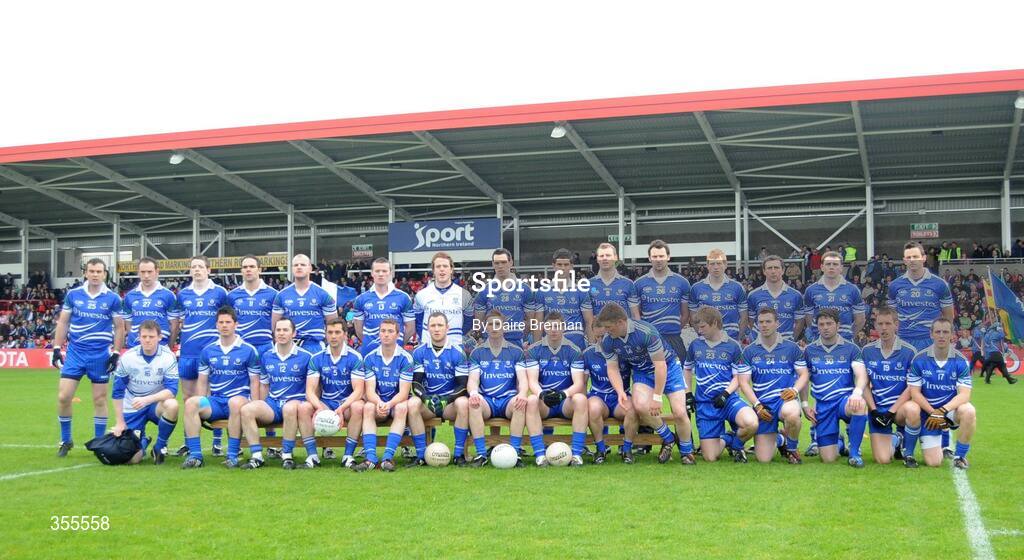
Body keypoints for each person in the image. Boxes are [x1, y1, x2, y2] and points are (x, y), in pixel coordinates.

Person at [598, 303, 695, 465]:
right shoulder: (608, 341)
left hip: (669, 368)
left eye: (609, 327)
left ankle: (686, 452)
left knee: (679, 412)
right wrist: (620, 391)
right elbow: (612, 369)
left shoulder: (646, 332)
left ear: (621, 322)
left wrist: (657, 397)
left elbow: (660, 366)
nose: (606, 331)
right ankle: (668, 438)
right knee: (640, 406)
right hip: (643, 373)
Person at [52, 258, 125, 457]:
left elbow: (120, 327)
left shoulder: (112, 298)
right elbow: (63, 322)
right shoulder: (74, 295)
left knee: (100, 400)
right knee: (63, 396)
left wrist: (116, 353)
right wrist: (57, 348)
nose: (95, 274)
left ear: (105, 274)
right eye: (91, 271)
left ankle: (99, 442)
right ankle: (66, 440)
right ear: (85, 273)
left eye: (99, 271)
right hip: (76, 353)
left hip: (100, 354)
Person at [181, 307, 261, 469]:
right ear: (216, 325)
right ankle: (195, 456)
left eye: (228, 322)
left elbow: (255, 382)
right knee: (191, 403)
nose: (224, 325)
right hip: (216, 403)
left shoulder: (248, 350)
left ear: (235, 325)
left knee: (235, 402)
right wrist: (201, 400)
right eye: (221, 322)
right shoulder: (208, 351)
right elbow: (202, 381)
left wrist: (255, 405)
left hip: (240, 401)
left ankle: (232, 455)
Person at [239, 318, 317, 470]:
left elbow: (312, 387)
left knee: (289, 408)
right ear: (273, 333)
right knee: (246, 409)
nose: (281, 333)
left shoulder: (306, 356)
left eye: (285, 330)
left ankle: (287, 455)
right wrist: (261, 403)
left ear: (294, 333)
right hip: (273, 404)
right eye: (278, 330)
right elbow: (264, 384)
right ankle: (257, 456)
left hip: (296, 402)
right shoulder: (267, 356)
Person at [684, 307, 757, 463]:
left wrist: (726, 393)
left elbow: (739, 376)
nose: (699, 330)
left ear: (715, 323)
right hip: (705, 404)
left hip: (728, 400)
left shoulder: (733, 346)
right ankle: (728, 438)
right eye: (698, 327)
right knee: (710, 457)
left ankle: (737, 446)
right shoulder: (695, 345)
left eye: (703, 326)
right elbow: (687, 369)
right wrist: (688, 394)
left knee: (751, 422)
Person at [173, 255, 229, 456]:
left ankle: (217, 442)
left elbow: (226, 320)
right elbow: (177, 321)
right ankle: (188, 442)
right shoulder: (183, 294)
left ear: (209, 270)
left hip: (212, 353)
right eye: (193, 267)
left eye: (200, 267)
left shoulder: (220, 293)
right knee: (188, 398)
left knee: (214, 397)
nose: (197, 270)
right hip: (189, 352)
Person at [738, 308, 807, 464]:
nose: (764, 325)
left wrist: (795, 390)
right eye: (761, 322)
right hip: (764, 406)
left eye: (768, 321)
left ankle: (792, 449)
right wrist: (756, 405)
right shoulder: (749, 351)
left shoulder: (792, 348)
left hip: (784, 400)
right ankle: (781, 439)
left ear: (777, 323)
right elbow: (743, 382)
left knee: (792, 413)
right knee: (763, 459)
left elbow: (804, 374)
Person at [905, 319, 977, 469]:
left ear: (952, 335)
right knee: (933, 462)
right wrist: (934, 413)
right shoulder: (919, 359)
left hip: (948, 412)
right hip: (927, 414)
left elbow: (964, 395)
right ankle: (912, 447)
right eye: (938, 332)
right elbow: (915, 393)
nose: (941, 336)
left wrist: (942, 411)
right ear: (931, 334)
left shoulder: (961, 361)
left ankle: (960, 457)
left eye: (945, 332)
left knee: (969, 410)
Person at [802, 309, 869, 468]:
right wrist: (805, 405)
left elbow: (861, 374)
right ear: (817, 327)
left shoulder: (851, 349)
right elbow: (803, 380)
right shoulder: (809, 350)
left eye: (829, 323)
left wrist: (857, 393)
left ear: (838, 325)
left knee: (859, 405)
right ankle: (838, 442)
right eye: (821, 324)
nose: (825, 327)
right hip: (823, 406)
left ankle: (854, 453)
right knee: (828, 458)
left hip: (844, 402)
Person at [467, 310, 531, 467]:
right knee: (473, 404)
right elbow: (473, 380)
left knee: (520, 404)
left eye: (497, 324)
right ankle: (481, 455)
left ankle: (515, 454)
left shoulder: (516, 352)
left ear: (505, 327)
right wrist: (474, 393)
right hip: (487, 401)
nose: (494, 327)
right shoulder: (477, 352)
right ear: (485, 328)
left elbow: (523, 379)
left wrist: (522, 394)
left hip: (508, 400)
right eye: (490, 324)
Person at [110, 320, 179, 465]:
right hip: (132, 406)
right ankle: (143, 441)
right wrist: (119, 422)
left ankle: (159, 447)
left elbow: (172, 390)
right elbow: (117, 391)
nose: (147, 340)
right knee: (132, 460)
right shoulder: (128, 357)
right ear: (138, 337)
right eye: (144, 336)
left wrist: (147, 400)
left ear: (159, 337)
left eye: (151, 337)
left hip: (155, 405)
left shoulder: (168, 356)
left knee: (172, 405)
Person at [524, 313, 588, 466]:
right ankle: (540, 455)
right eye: (550, 326)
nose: (553, 330)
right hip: (544, 402)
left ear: (563, 328)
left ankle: (577, 454)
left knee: (581, 399)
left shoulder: (574, 350)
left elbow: (579, 383)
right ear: (544, 328)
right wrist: (542, 394)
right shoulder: (534, 350)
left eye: (557, 326)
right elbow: (532, 381)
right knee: (532, 400)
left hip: (565, 401)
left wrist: (563, 394)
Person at [352, 319, 415, 472]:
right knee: (367, 407)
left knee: (401, 408)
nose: (386, 335)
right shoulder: (370, 358)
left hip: (396, 402)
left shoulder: (406, 358)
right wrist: (380, 403)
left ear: (398, 335)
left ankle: (387, 457)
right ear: (379, 333)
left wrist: (389, 404)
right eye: (383, 331)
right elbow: (370, 391)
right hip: (377, 402)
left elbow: (404, 393)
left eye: (390, 331)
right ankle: (371, 458)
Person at [409, 312, 470, 466]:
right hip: (429, 403)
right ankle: (421, 456)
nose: (436, 329)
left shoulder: (458, 352)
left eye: (440, 325)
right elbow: (416, 383)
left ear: (447, 328)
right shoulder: (419, 352)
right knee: (412, 404)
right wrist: (425, 398)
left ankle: (458, 455)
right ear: (428, 328)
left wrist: (446, 400)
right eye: (433, 325)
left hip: (449, 404)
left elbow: (463, 385)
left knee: (463, 403)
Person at [860, 307, 920, 467]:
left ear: (896, 325)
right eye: (880, 324)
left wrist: (891, 411)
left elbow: (911, 387)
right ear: (875, 326)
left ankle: (908, 453)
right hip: (878, 410)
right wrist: (873, 410)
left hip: (899, 409)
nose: (884, 328)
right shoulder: (867, 351)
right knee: (883, 460)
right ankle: (896, 439)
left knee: (913, 410)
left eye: (888, 323)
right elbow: (864, 384)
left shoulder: (909, 351)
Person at [306, 316, 365, 468]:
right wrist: (318, 407)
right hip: (325, 403)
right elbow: (310, 391)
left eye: (337, 332)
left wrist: (342, 408)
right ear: (325, 334)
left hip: (346, 404)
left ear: (345, 335)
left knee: (359, 406)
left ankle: (348, 456)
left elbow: (359, 391)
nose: (333, 336)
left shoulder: (355, 357)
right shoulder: (317, 358)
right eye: (330, 332)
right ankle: (312, 456)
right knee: (303, 407)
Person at [886, 242, 955, 352]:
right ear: (904, 260)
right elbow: (891, 317)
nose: (912, 260)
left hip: (930, 340)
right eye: (909, 257)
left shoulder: (940, 284)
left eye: (915, 257)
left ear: (924, 258)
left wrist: (945, 336)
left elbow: (948, 315)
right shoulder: (894, 285)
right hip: (903, 340)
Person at [272, 253, 338, 354]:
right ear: (292, 268)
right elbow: (275, 326)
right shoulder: (281, 295)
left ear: (310, 268)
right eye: (296, 265)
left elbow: (334, 324)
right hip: (289, 347)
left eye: (303, 265)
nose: (299, 267)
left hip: (314, 347)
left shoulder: (323, 294)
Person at [472, 248, 540, 347]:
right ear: (493, 264)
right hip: (490, 342)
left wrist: (520, 335)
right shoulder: (484, 290)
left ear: (511, 262)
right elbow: (479, 322)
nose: (500, 266)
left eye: (503, 262)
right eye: (497, 263)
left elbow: (531, 320)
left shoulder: (525, 289)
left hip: (515, 342)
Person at [636, 239, 691, 360]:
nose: (658, 259)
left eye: (661, 256)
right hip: (649, 339)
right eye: (654, 256)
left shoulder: (682, 282)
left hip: (674, 338)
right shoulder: (639, 284)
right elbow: (636, 314)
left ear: (668, 257)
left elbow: (686, 314)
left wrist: (674, 328)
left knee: (678, 376)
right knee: (650, 376)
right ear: (650, 259)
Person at [353, 257, 415, 355]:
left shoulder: (403, 297)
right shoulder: (361, 299)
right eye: (377, 271)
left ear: (390, 273)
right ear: (372, 273)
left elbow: (411, 328)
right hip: (369, 353)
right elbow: (358, 329)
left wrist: (398, 343)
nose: (381, 274)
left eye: (384, 271)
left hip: (395, 354)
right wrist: (370, 343)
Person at [534, 248, 593, 349]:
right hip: (550, 342)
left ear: (571, 266)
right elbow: (538, 322)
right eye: (559, 265)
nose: (562, 268)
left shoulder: (581, 291)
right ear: (553, 266)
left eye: (566, 265)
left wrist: (591, 346)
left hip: (576, 344)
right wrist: (536, 347)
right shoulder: (542, 291)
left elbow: (589, 321)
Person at [413, 252, 474, 347]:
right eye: (438, 266)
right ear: (433, 270)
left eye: (445, 266)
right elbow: (418, 322)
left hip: (455, 347)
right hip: (429, 347)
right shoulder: (421, 294)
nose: (442, 269)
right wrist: (425, 338)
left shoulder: (464, 294)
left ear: (451, 269)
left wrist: (457, 337)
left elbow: (469, 321)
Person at [119, 257, 179, 348]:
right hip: (135, 346)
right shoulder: (129, 296)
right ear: (138, 273)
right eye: (143, 272)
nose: (146, 276)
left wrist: (169, 347)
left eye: (149, 272)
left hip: (161, 346)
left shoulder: (169, 295)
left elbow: (174, 325)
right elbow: (128, 323)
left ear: (157, 272)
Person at [585, 243, 640, 343]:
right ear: (597, 259)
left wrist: (637, 339)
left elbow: (635, 315)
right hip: (600, 339)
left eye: (608, 255)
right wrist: (592, 343)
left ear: (615, 257)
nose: (605, 258)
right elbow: (589, 320)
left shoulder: (628, 284)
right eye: (601, 256)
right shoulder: (588, 284)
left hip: (623, 338)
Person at [688, 249, 747, 341]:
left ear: (725, 265)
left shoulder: (737, 287)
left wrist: (738, 340)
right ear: (707, 266)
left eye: (719, 263)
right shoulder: (696, 288)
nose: (716, 267)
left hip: (731, 339)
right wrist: (702, 336)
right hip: (706, 341)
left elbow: (744, 317)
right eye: (712, 264)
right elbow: (693, 317)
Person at [747, 255, 805, 341]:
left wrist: (791, 339)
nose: (773, 271)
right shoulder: (753, 295)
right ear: (764, 271)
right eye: (769, 268)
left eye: (776, 268)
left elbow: (799, 322)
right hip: (762, 345)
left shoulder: (795, 295)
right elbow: (751, 322)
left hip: (786, 345)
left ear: (783, 270)